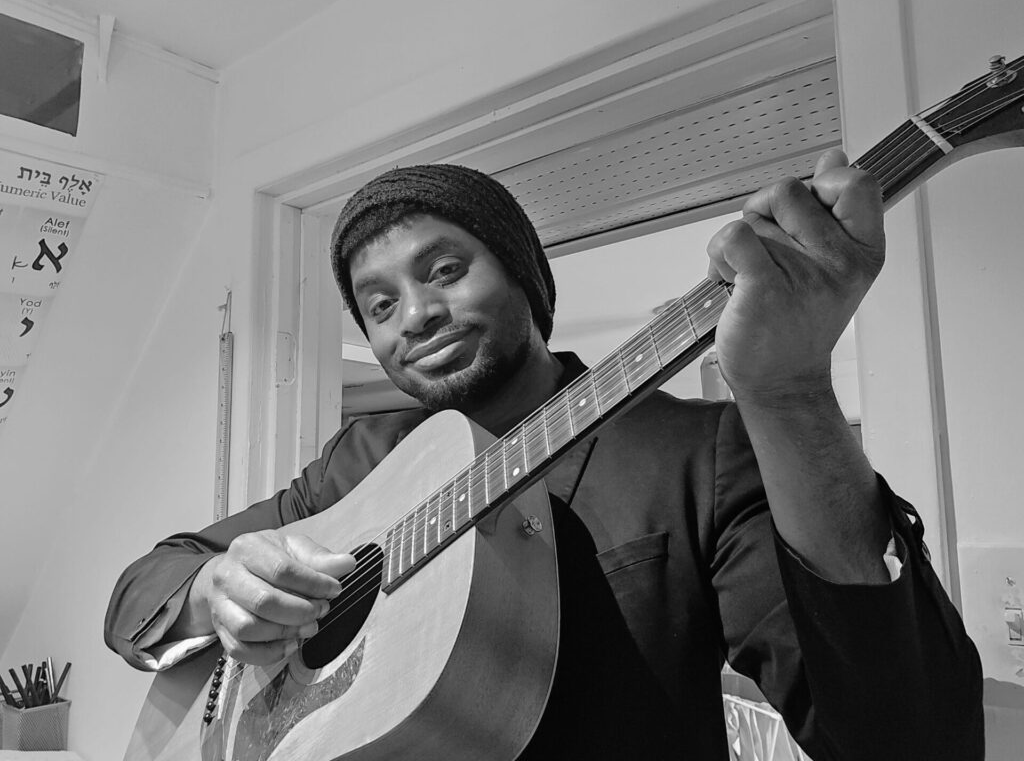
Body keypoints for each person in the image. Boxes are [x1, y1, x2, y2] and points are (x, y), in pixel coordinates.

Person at [105, 154, 984, 759]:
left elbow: (906, 738)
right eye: (378, 305)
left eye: (445, 269)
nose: (413, 316)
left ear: (525, 275)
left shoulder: (701, 453)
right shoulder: (361, 459)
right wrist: (212, 594)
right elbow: (149, 581)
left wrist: (790, 396)